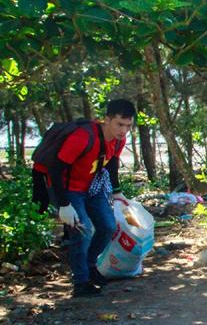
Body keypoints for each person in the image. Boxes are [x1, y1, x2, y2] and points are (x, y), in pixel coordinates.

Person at [32, 99, 136, 297]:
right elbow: (55, 168)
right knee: (83, 230)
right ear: (107, 120)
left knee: (108, 226)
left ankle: (89, 267)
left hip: (91, 186)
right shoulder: (83, 136)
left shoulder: (118, 140)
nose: (123, 131)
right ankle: (80, 282)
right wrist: (64, 204)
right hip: (66, 188)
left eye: (128, 126)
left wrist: (117, 191)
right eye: (119, 124)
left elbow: (111, 163)